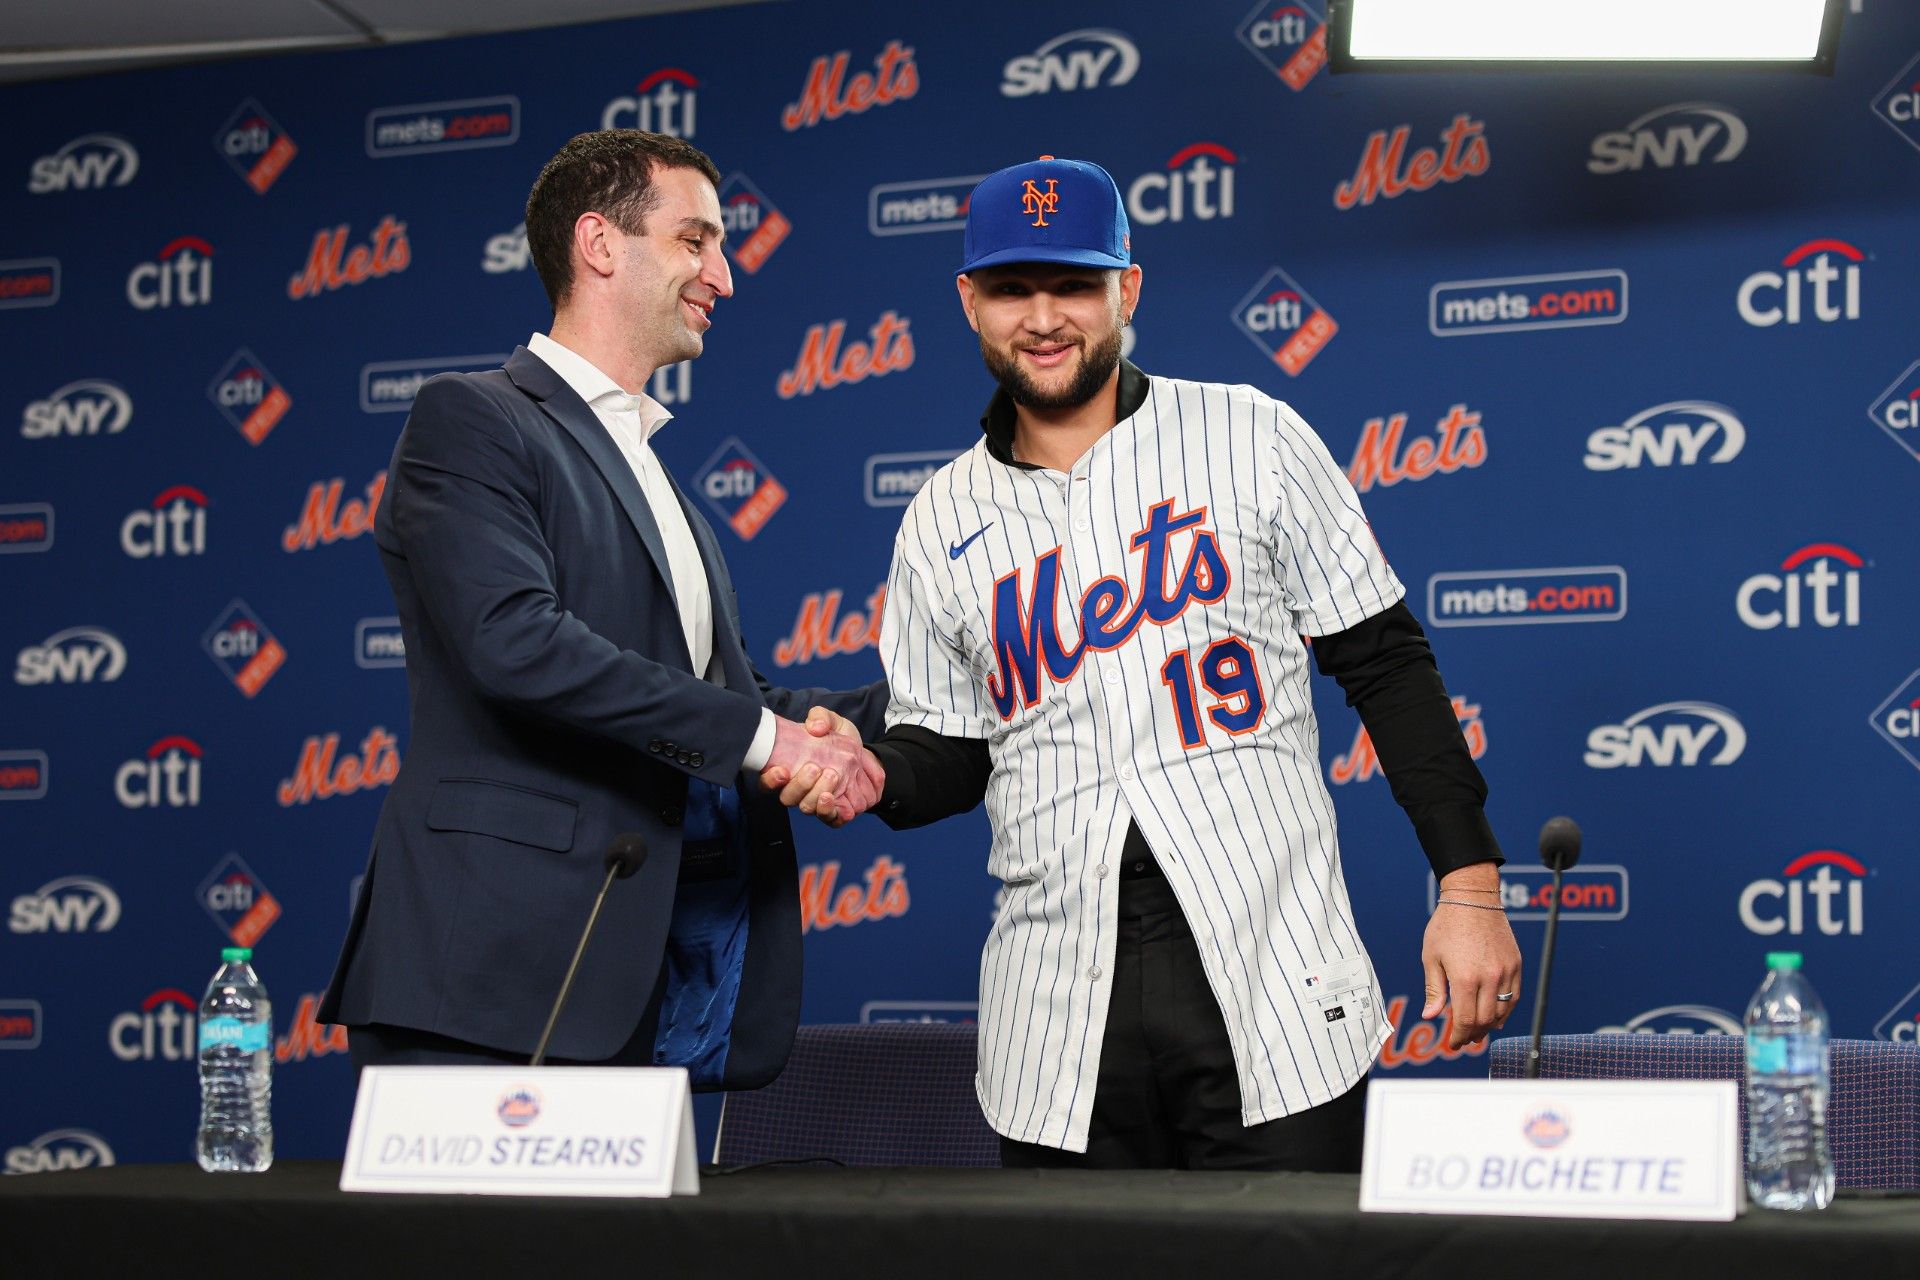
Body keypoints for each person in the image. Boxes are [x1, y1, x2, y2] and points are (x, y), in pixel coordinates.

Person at [768, 156, 1521, 1169]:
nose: (1043, 316)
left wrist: (1468, 885)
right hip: (1058, 1002)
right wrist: (880, 774)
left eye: (1073, 283)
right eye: (1011, 288)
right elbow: (950, 744)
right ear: (969, 302)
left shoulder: (1251, 436)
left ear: (1126, 285)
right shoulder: (938, 517)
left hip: (1274, 972)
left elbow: (1384, 661)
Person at [320, 130, 887, 1085]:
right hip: (487, 978)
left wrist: (935, 704)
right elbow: (516, 644)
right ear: (600, 244)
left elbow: (731, 696)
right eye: (696, 241)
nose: (725, 275)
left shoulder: (657, 475)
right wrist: (772, 742)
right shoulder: (471, 418)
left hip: (627, 979)